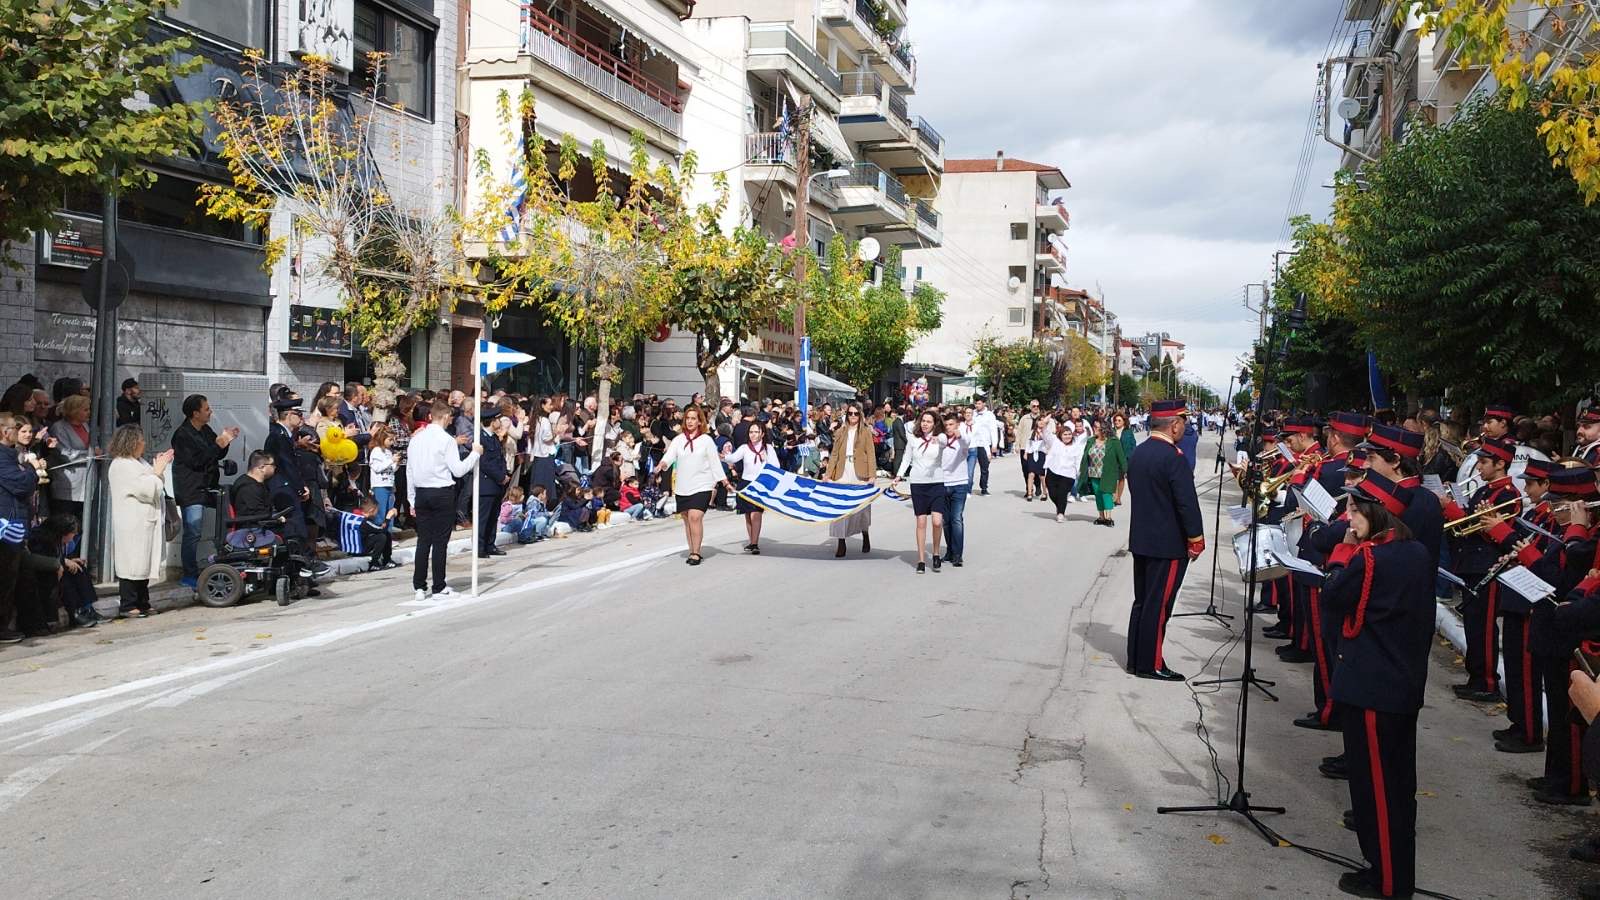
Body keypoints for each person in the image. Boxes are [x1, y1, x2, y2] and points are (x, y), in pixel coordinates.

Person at [1320, 475, 1435, 899]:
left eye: (1354, 510)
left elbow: (1332, 597)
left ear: (1377, 512)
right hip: (1403, 684)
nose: (1348, 517)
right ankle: (1392, 872)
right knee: (1399, 787)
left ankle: (1387, 880)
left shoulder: (1368, 559)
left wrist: (1343, 549)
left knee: (1376, 792)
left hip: (1372, 686)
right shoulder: (1417, 552)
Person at [1124, 398, 1204, 681]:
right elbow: (1186, 503)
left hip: (1142, 538)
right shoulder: (1174, 457)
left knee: (1143, 601)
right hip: (1168, 543)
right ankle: (1151, 663)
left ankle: (1135, 658)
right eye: (1183, 421)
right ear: (1174, 424)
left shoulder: (1140, 453)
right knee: (1159, 606)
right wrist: (1196, 537)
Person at [1439, 435, 1522, 702]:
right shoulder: (1485, 491)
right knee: (1474, 626)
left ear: (1500, 464)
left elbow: (1491, 531)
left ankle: (1487, 682)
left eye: (1484, 463)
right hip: (1472, 565)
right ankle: (1476, 677)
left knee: (1484, 628)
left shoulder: (1508, 494)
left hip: (1488, 567)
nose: (1479, 468)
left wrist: (1449, 508)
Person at [406, 399, 482, 600]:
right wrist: (475, 455)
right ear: (446, 417)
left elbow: (410, 471)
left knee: (424, 540)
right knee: (440, 542)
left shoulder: (416, 439)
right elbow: (458, 470)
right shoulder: (446, 440)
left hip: (422, 492)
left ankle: (419, 586)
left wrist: (411, 498)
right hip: (441, 492)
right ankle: (438, 585)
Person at [171, 394, 241, 589]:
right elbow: (197, 460)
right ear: (195, 413)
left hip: (208, 486)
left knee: (227, 517)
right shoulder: (183, 435)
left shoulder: (205, 430)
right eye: (207, 409)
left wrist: (225, 442)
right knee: (193, 531)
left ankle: (225, 558)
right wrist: (218, 443)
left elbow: (215, 453)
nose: (210, 412)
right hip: (191, 489)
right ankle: (189, 574)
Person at [107, 424, 172, 618]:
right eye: (141, 440)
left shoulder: (138, 462)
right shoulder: (122, 465)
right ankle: (128, 604)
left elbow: (154, 485)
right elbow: (146, 490)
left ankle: (143, 602)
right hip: (132, 522)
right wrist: (158, 471)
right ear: (132, 442)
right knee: (132, 563)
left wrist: (157, 471)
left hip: (144, 520)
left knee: (143, 563)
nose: (144, 443)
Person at [655, 405, 730, 566]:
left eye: (693, 419)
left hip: (702, 485)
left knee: (695, 517)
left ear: (699, 421)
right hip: (683, 486)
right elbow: (669, 455)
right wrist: (662, 464)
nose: (690, 421)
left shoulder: (706, 440)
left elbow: (714, 462)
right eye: (687, 418)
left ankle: (696, 553)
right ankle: (692, 550)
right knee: (687, 520)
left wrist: (724, 480)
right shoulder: (679, 439)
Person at [892, 410, 949, 573]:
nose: (925, 424)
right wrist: (899, 475)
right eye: (923, 421)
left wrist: (939, 437)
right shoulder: (913, 439)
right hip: (918, 483)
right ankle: (921, 560)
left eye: (929, 421)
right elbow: (906, 458)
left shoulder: (940, 438)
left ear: (935, 423)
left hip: (937, 482)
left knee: (937, 521)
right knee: (921, 522)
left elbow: (946, 441)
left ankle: (936, 553)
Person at [825, 403, 877, 558]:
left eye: (855, 413)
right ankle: (841, 542)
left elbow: (871, 453)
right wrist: (828, 473)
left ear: (860, 415)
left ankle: (865, 534)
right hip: (842, 471)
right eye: (850, 413)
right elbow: (834, 454)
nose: (852, 416)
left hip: (860, 472)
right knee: (839, 507)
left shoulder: (866, 432)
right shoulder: (840, 431)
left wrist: (872, 474)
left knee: (861, 507)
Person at [723, 420, 776, 555]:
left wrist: (766, 459)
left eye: (756, 432)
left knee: (756, 514)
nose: (753, 435)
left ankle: (754, 543)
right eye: (751, 432)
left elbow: (777, 467)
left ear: (762, 434)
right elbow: (733, 458)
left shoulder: (768, 448)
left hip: (760, 484)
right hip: (745, 483)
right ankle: (752, 540)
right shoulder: (744, 448)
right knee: (747, 514)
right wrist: (724, 456)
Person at [46, 393, 94, 523]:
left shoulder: (85, 425)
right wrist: (91, 454)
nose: (89, 412)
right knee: (65, 524)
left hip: (86, 483)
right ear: (74, 411)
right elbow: (65, 454)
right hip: (67, 485)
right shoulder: (58, 428)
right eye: (85, 409)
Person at [476, 407, 509, 560]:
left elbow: (499, 459)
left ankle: (490, 544)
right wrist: (500, 476)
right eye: (497, 419)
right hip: (487, 483)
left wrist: (505, 474)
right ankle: (480, 547)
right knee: (483, 518)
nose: (499, 422)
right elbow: (485, 463)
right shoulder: (480, 438)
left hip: (497, 483)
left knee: (493, 517)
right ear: (491, 421)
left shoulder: (493, 437)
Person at [939, 412, 972, 567]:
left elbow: (967, 442)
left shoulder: (962, 439)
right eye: (946, 425)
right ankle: (950, 551)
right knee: (946, 521)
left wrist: (960, 435)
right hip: (943, 484)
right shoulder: (942, 440)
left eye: (951, 424)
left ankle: (958, 555)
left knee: (956, 518)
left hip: (959, 484)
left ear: (957, 425)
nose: (948, 427)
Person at [1083, 419, 1128, 527]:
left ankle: (1108, 517)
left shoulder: (1113, 441)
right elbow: (1085, 456)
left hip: (1108, 472)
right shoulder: (1091, 440)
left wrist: (1125, 470)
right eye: (1094, 426)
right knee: (1098, 494)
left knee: (1107, 493)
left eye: (1096, 427)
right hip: (1093, 472)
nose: (1094, 428)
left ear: (1103, 429)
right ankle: (1101, 516)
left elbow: (1121, 457)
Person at [1040, 416, 1083, 522]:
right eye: (1065, 434)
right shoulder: (1055, 441)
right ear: (1060, 435)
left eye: (1069, 434)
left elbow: (1078, 461)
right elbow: (1046, 434)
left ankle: (1060, 513)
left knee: (1062, 493)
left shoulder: (1075, 446)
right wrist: (1044, 424)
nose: (1067, 436)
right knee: (1053, 494)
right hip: (1053, 471)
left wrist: (1079, 473)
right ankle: (1060, 505)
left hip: (1068, 474)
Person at [368, 425, 397, 532]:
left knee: (390, 510)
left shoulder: (389, 452)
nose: (392, 442)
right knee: (381, 510)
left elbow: (391, 469)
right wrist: (391, 461)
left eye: (393, 439)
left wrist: (396, 463)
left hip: (390, 485)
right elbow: (377, 468)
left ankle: (388, 533)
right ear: (382, 438)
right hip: (380, 485)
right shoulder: (376, 451)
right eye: (390, 439)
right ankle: (379, 533)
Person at [968, 397, 998, 494]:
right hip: (973, 444)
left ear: (984, 404)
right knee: (970, 468)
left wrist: (994, 444)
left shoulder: (989, 415)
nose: (977, 406)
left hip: (984, 444)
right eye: (976, 404)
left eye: (979, 403)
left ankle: (984, 487)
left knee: (984, 468)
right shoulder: (973, 413)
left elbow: (993, 430)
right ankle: (968, 487)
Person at [1113, 412, 1137, 506]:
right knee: (1114, 478)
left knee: (1121, 478)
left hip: (1124, 458)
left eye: (1119, 420)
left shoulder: (1128, 432)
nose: (1117, 422)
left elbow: (1133, 445)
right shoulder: (1111, 431)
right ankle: (1114, 496)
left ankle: (1118, 498)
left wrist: (1131, 457)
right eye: (1115, 420)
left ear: (1124, 422)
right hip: (1113, 458)